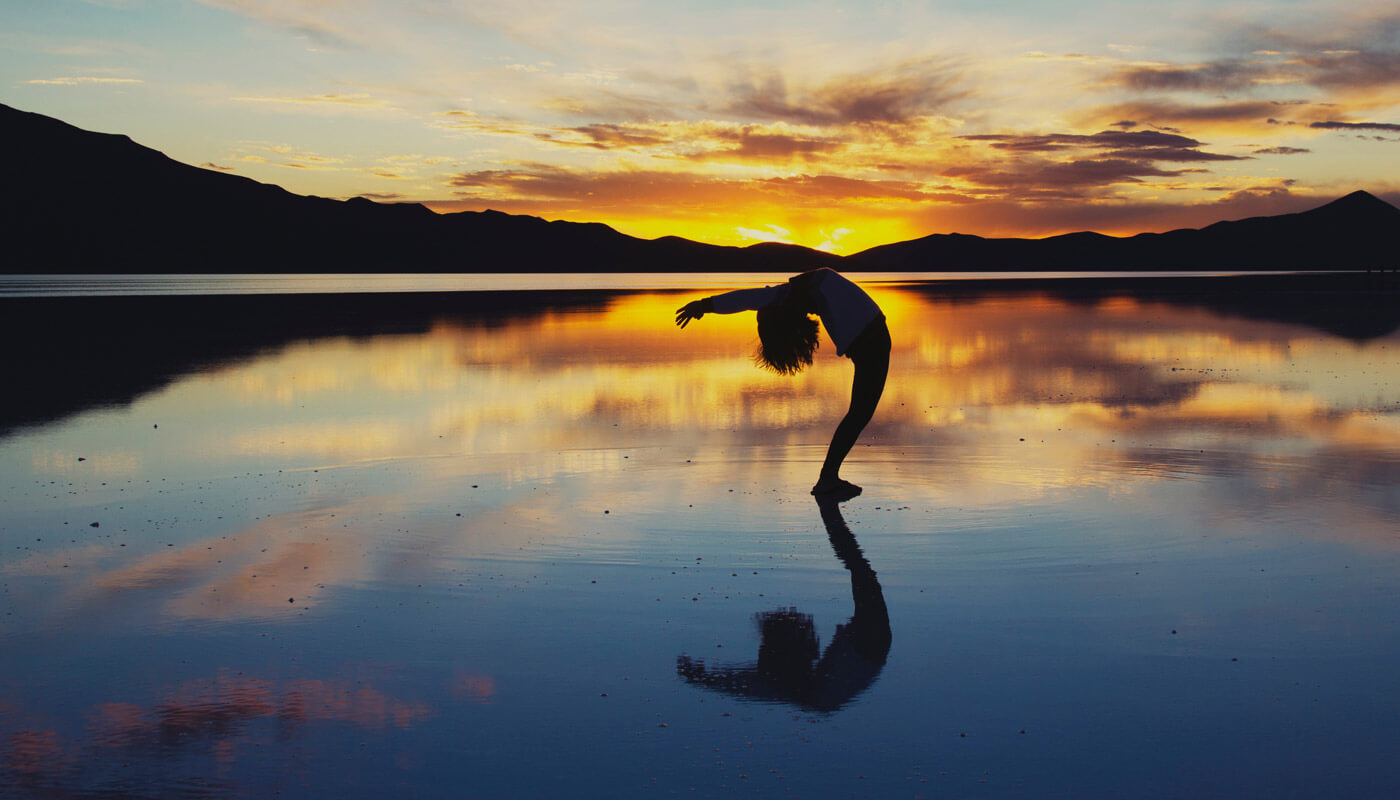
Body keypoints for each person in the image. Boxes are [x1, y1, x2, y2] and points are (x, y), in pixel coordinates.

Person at [674, 268, 890, 497]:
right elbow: (748, 299)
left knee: (858, 414)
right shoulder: (801, 290)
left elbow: (749, 299)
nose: (804, 314)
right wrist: (705, 305)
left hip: (870, 341)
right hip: (870, 343)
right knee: (858, 415)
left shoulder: (797, 290)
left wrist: (705, 305)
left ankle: (828, 477)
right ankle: (827, 478)